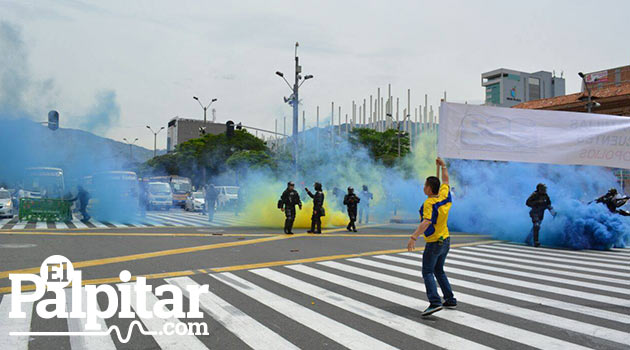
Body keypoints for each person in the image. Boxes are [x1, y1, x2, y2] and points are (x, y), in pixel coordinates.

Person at [407, 157, 455, 317]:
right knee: (439, 270)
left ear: (429, 188)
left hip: (434, 242)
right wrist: (443, 166)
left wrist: (413, 237)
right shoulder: (444, 196)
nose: (423, 187)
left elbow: (427, 222)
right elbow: (446, 180)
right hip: (446, 239)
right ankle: (450, 299)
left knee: (428, 271)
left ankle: (435, 302)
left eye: (425, 185)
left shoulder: (429, 203)